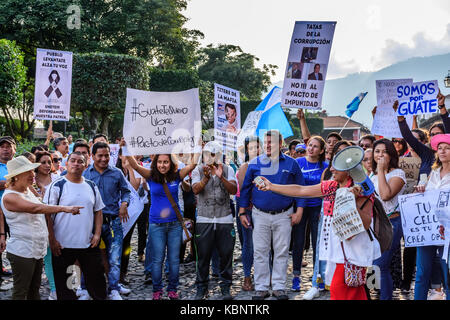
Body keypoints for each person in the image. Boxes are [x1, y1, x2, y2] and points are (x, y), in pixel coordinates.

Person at [254, 162, 381, 300]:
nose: (331, 169)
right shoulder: (331, 186)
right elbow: (301, 190)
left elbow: (367, 223)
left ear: (349, 170)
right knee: (353, 291)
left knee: (340, 289)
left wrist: (352, 200)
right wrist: (272, 186)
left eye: (336, 166)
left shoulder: (363, 189)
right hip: (336, 246)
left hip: (354, 248)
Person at [0, 156, 82, 300]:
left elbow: (41, 201)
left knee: (34, 290)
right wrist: (65, 208)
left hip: (36, 249)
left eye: (32, 171)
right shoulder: (9, 196)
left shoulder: (27, 189)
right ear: (17, 176)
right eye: (28, 172)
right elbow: (37, 208)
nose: (33, 175)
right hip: (22, 251)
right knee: (20, 291)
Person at [239, 130, 306, 300]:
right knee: (260, 251)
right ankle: (261, 287)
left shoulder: (292, 164)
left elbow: (301, 189)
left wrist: (299, 211)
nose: (268, 145)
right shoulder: (254, 164)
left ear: (281, 144)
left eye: (272, 142)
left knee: (281, 251)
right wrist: (241, 211)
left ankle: (278, 286)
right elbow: (245, 189)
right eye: (266, 142)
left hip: (284, 214)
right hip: (259, 214)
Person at [125, 152, 197, 300]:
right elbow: (134, 165)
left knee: (174, 260)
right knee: (157, 260)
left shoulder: (177, 175)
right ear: (155, 163)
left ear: (171, 163)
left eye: (165, 162)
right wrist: (126, 147)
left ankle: (172, 289)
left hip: (175, 225)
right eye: (159, 162)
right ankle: (157, 290)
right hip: (156, 225)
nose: (162, 165)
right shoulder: (150, 175)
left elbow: (193, 164)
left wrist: (197, 145)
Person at [44, 152, 107, 300]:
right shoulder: (57, 185)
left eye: (80, 161)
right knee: (66, 287)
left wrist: (97, 234)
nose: (76, 164)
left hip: (88, 244)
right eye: (73, 160)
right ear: (67, 163)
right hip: (63, 246)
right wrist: (52, 240)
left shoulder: (91, 186)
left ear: (85, 166)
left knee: (97, 283)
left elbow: (98, 211)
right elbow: (47, 214)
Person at [82, 142, 131, 300]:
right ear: (92, 156)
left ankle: (114, 289)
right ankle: (85, 288)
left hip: (113, 222)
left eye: (107, 155)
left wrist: (124, 204)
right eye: (100, 156)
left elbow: (126, 191)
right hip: (90, 223)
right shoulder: (85, 174)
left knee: (115, 258)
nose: (104, 159)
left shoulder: (117, 173)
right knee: (88, 257)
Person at [191, 141, 237, 300]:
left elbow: (233, 189)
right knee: (203, 256)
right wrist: (206, 177)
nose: (209, 158)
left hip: (225, 218)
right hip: (204, 218)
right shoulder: (198, 170)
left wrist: (220, 176)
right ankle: (201, 287)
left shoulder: (228, 169)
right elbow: (195, 189)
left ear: (218, 156)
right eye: (206, 155)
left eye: (213, 155)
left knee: (226, 254)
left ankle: (225, 286)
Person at [414, 133, 450, 300]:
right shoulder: (433, 173)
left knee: (447, 274)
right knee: (421, 274)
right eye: (440, 148)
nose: (442, 151)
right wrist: (420, 189)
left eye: (447, 148)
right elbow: (424, 196)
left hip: (448, 231)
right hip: (428, 229)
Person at [371, 139, 406, 300]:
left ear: (391, 154)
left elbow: (385, 195)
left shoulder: (398, 174)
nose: (380, 155)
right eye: (377, 151)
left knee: (381, 265)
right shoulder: (372, 174)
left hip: (391, 223)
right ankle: (377, 294)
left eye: (384, 151)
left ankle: (386, 297)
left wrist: (381, 170)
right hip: (372, 223)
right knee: (374, 266)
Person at [292, 136, 327, 292]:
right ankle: (296, 277)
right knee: (298, 242)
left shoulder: (325, 166)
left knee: (317, 244)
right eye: (310, 145)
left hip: (316, 208)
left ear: (321, 151)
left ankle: (317, 277)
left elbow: (325, 190)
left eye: (315, 146)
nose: (311, 148)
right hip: (300, 206)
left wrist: (322, 210)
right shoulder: (298, 163)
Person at [236, 136, 261, 291]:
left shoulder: (269, 165)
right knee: (248, 243)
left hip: (263, 207)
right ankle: (247, 277)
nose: (255, 150)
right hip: (247, 207)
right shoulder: (245, 166)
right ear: (247, 150)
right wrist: (243, 212)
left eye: (257, 147)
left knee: (264, 244)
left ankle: (265, 275)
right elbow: (246, 190)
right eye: (251, 147)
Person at [33, 151, 60, 300]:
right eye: (43, 162)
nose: (47, 165)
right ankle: (54, 289)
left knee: (63, 254)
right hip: (40, 222)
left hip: (59, 221)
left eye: (49, 162)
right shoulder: (32, 180)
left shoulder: (57, 178)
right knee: (48, 256)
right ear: (36, 164)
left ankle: (69, 285)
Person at [0, 136, 16, 280]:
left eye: (8, 146)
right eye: (2, 146)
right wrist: (13, 181)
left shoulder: (18, 165)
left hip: (17, 210)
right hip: (0, 210)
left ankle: (19, 266)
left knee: (17, 238)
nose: (5, 149)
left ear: (14, 150)